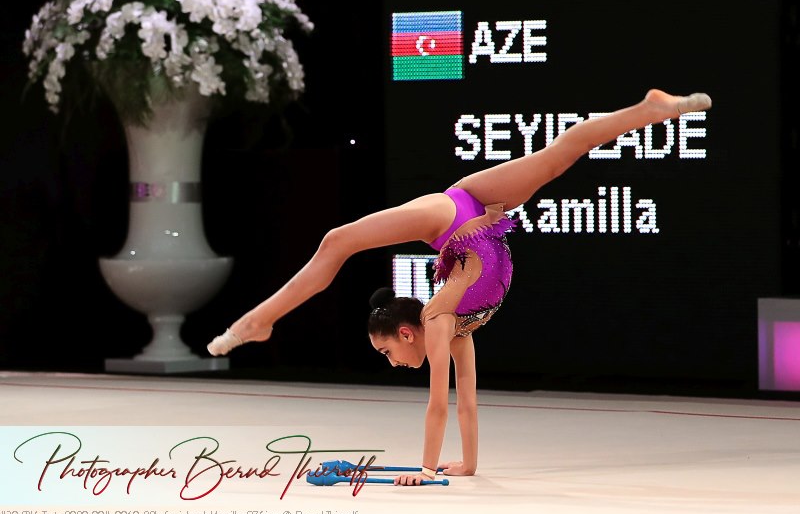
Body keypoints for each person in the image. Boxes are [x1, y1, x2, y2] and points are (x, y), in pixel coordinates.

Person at [206, 88, 712, 485]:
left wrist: (426, 470)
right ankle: (647, 110)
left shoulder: (436, 318)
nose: (392, 363)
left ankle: (259, 320)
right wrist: (467, 465)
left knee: (338, 240)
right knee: (559, 154)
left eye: (387, 352)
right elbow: (466, 399)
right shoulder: (456, 327)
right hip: (473, 217)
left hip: (449, 218)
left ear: (406, 333)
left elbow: (437, 405)